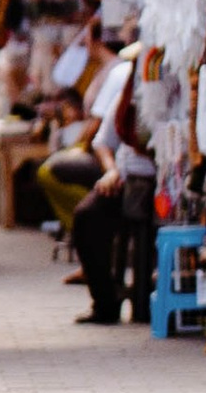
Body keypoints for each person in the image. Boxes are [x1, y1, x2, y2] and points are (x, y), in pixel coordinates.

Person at [67, 36, 158, 325]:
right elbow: (102, 142)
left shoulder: (171, 99)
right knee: (86, 217)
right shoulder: (125, 100)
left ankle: (146, 299)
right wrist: (111, 170)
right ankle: (105, 301)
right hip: (126, 179)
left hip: (159, 183)